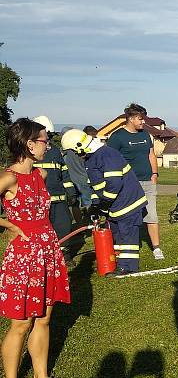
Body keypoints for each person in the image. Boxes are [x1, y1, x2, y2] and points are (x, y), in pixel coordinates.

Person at [1, 118, 71, 378]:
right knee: (21, 323)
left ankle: (40, 376)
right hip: (24, 256)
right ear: (29, 144)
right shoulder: (9, 177)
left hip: (48, 251)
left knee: (44, 317)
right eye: (44, 140)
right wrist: (7, 225)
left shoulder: (39, 175)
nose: (48, 145)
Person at [61, 128, 147, 276]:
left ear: (79, 146)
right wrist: (95, 204)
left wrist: (104, 203)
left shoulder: (106, 154)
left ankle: (129, 267)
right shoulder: (91, 159)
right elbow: (95, 185)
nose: (75, 155)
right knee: (118, 234)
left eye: (74, 152)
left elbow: (114, 183)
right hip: (116, 205)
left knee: (127, 235)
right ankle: (119, 264)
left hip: (127, 204)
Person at [106, 103, 163, 260]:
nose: (143, 122)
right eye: (140, 119)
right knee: (129, 217)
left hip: (148, 181)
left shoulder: (145, 135)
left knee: (152, 215)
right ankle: (128, 245)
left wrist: (154, 174)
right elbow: (110, 160)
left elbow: (151, 155)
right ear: (130, 119)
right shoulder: (117, 137)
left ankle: (156, 248)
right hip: (129, 184)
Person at [31, 116, 78, 263]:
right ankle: (45, 257)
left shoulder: (55, 152)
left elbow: (64, 172)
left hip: (59, 200)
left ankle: (64, 257)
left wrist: (71, 192)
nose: (48, 140)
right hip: (40, 201)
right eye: (46, 137)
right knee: (43, 231)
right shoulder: (31, 154)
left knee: (63, 227)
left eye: (49, 136)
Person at [61, 125, 95, 223]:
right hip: (84, 180)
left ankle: (80, 224)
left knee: (75, 204)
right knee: (88, 203)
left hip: (72, 182)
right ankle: (92, 225)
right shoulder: (80, 150)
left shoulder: (65, 153)